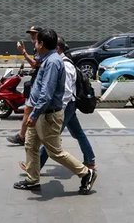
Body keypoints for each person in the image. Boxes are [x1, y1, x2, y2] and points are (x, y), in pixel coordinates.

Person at [13, 28, 97, 195]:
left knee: (54, 152)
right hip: (40, 112)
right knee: (31, 145)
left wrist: (34, 114)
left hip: (47, 114)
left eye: (36, 41)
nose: (34, 44)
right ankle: (32, 179)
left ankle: (86, 173)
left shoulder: (52, 62)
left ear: (42, 44)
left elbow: (46, 93)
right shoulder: (47, 59)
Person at [6, 26, 42, 145]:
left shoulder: (40, 47)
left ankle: (22, 136)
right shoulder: (38, 46)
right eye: (30, 34)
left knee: (29, 109)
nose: (32, 36)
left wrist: (23, 53)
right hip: (38, 80)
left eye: (34, 33)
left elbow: (35, 64)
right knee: (30, 109)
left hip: (39, 82)